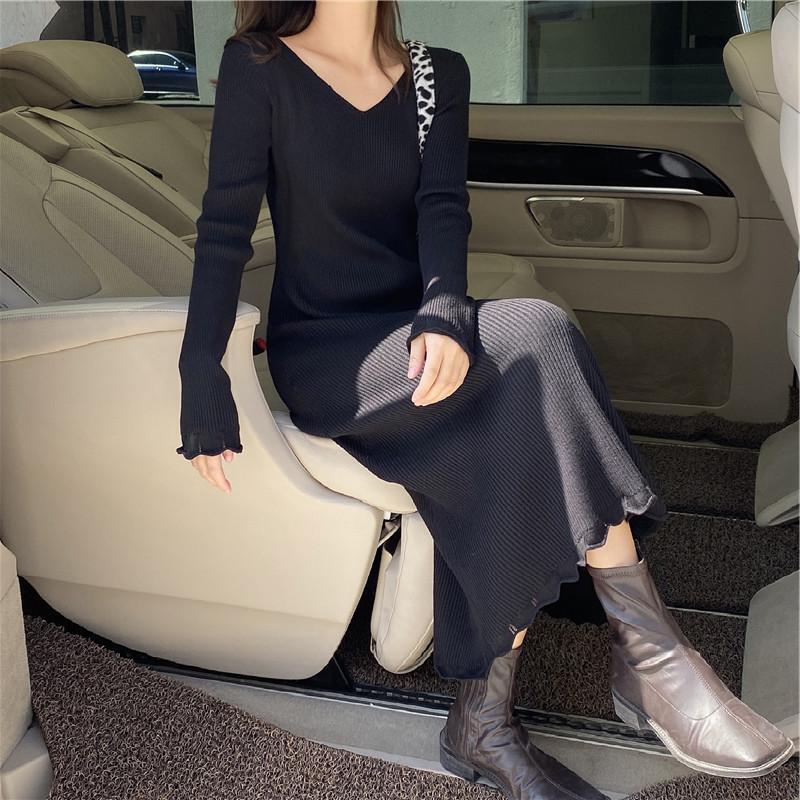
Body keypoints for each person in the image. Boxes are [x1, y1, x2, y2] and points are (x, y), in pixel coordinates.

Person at [175, 2, 795, 797]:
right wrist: (204, 374)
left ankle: (483, 722)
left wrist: (444, 310)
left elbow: (442, 207)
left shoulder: (436, 74)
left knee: (513, 403)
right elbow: (223, 230)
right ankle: (651, 655)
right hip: (332, 351)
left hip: (419, 328)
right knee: (538, 332)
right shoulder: (259, 67)